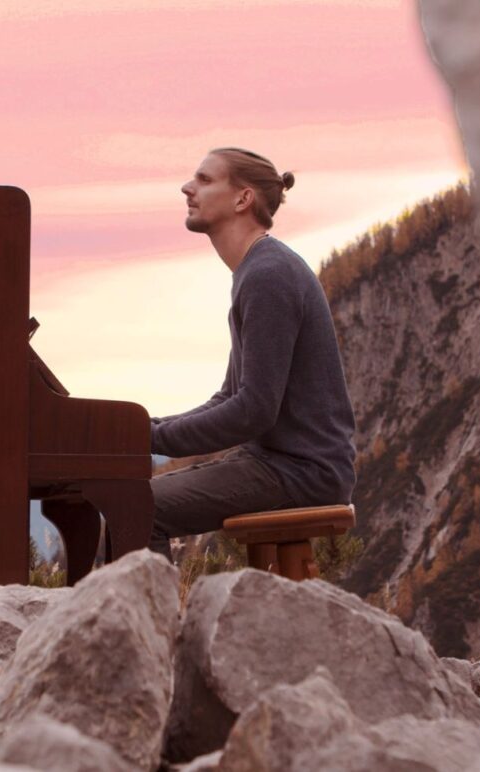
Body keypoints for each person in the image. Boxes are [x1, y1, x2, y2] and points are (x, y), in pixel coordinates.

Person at [148, 147, 357, 560]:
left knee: (137, 508)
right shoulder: (257, 270)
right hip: (280, 465)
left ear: (243, 199)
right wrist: (145, 428)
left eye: (205, 180)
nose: (187, 188)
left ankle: (149, 625)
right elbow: (230, 396)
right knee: (131, 499)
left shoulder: (268, 275)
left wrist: (151, 438)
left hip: (302, 473)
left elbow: (254, 411)